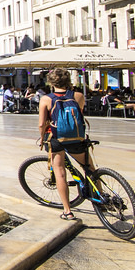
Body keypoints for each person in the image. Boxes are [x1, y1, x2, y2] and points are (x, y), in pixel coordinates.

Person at [38, 68, 92, 220]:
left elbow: (42, 124)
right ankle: (101, 199)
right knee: (90, 169)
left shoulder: (46, 99)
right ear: (68, 81)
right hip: (77, 137)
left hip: (57, 139)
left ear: (50, 82)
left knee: (60, 173)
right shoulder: (79, 96)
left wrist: (42, 138)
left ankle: (67, 211)